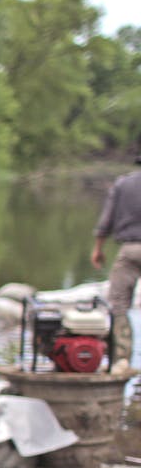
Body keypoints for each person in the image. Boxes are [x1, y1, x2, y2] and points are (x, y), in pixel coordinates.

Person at [90, 153, 141, 368]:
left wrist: (98, 249)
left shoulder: (123, 184)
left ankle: (121, 359)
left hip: (129, 249)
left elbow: (106, 221)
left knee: (118, 305)